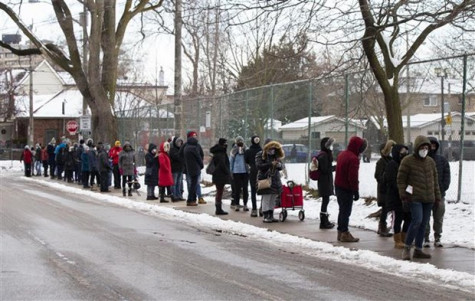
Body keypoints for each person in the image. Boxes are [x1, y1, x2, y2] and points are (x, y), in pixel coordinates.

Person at [397, 135, 441, 260]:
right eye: (422, 147)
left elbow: (435, 181)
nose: (425, 150)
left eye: (426, 147)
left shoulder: (430, 162)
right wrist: (404, 196)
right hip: (414, 198)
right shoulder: (408, 161)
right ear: (417, 147)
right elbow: (401, 180)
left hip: (428, 199)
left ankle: (418, 249)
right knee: (417, 220)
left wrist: (437, 197)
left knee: (423, 223)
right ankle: (406, 247)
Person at [334, 136, 367, 242]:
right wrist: (355, 190)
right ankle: (344, 232)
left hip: (338, 186)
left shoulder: (342, 154)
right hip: (346, 188)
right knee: (346, 211)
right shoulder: (353, 159)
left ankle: (340, 232)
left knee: (342, 210)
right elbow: (353, 177)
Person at [424, 137, 451, 248]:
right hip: (425, 194)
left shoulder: (442, 160)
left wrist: (443, 188)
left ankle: (437, 237)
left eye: (434, 146)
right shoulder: (422, 160)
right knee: (425, 218)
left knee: (438, 217)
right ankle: (425, 238)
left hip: (439, 194)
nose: (432, 148)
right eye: (430, 146)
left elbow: (447, 175)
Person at [384, 144, 411, 249]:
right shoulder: (392, 165)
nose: (404, 154)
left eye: (406, 152)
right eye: (402, 152)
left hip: (406, 196)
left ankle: (404, 237)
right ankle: (398, 239)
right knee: (397, 218)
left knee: (408, 217)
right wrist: (401, 188)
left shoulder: (407, 164)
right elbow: (391, 181)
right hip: (395, 197)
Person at [256, 140, 285, 223]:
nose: (272, 149)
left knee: (273, 198)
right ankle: (266, 215)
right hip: (265, 179)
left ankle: (271, 215)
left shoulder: (276, 155)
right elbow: (259, 166)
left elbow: (281, 165)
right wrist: (270, 164)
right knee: (266, 198)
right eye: (270, 148)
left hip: (275, 179)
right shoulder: (260, 154)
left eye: (273, 148)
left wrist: (278, 165)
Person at [374, 140, 396, 237]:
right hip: (384, 189)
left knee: (388, 208)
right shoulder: (381, 162)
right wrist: (385, 179)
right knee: (385, 208)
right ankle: (382, 226)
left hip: (390, 188)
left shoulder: (391, 160)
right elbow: (377, 175)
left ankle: (384, 226)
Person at [316, 137, 337, 229]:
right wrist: (335, 167)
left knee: (326, 201)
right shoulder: (323, 155)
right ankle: (323, 222)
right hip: (324, 181)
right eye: (330, 145)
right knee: (325, 201)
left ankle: (325, 220)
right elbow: (325, 169)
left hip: (325, 181)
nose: (331, 147)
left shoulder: (324, 154)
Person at [210, 138, 231, 215]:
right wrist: (228, 172)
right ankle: (218, 209)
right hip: (220, 175)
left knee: (219, 191)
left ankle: (218, 208)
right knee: (219, 192)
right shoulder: (221, 153)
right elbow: (222, 165)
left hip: (217, 175)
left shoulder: (217, 152)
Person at [182, 131, 204, 206]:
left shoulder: (187, 147)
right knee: (193, 184)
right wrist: (201, 165)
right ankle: (191, 199)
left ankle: (194, 198)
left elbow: (201, 155)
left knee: (193, 184)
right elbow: (199, 157)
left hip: (189, 168)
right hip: (194, 168)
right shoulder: (193, 148)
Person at [230, 136, 249, 211]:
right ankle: (237, 204)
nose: (240, 142)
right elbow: (231, 161)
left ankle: (245, 204)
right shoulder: (233, 150)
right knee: (237, 189)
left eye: (241, 141)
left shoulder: (246, 150)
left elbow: (248, 160)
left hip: (245, 171)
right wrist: (231, 171)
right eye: (238, 141)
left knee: (245, 189)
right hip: (236, 172)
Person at [244, 135, 262, 217]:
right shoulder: (262, 150)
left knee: (253, 190)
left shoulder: (248, 151)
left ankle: (254, 209)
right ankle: (262, 209)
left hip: (253, 171)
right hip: (262, 171)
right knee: (263, 190)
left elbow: (246, 160)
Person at [169, 137, 185, 201]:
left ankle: (179, 195)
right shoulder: (173, 149)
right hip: (174, 169)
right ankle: (174, 195)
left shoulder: (181, 149)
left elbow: (183, 158)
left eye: (180, 142)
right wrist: (181, 157)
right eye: (178, 142)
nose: (179, 143)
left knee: (179, 183)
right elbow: (177, 157)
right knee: (174, 183)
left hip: (180, 168)